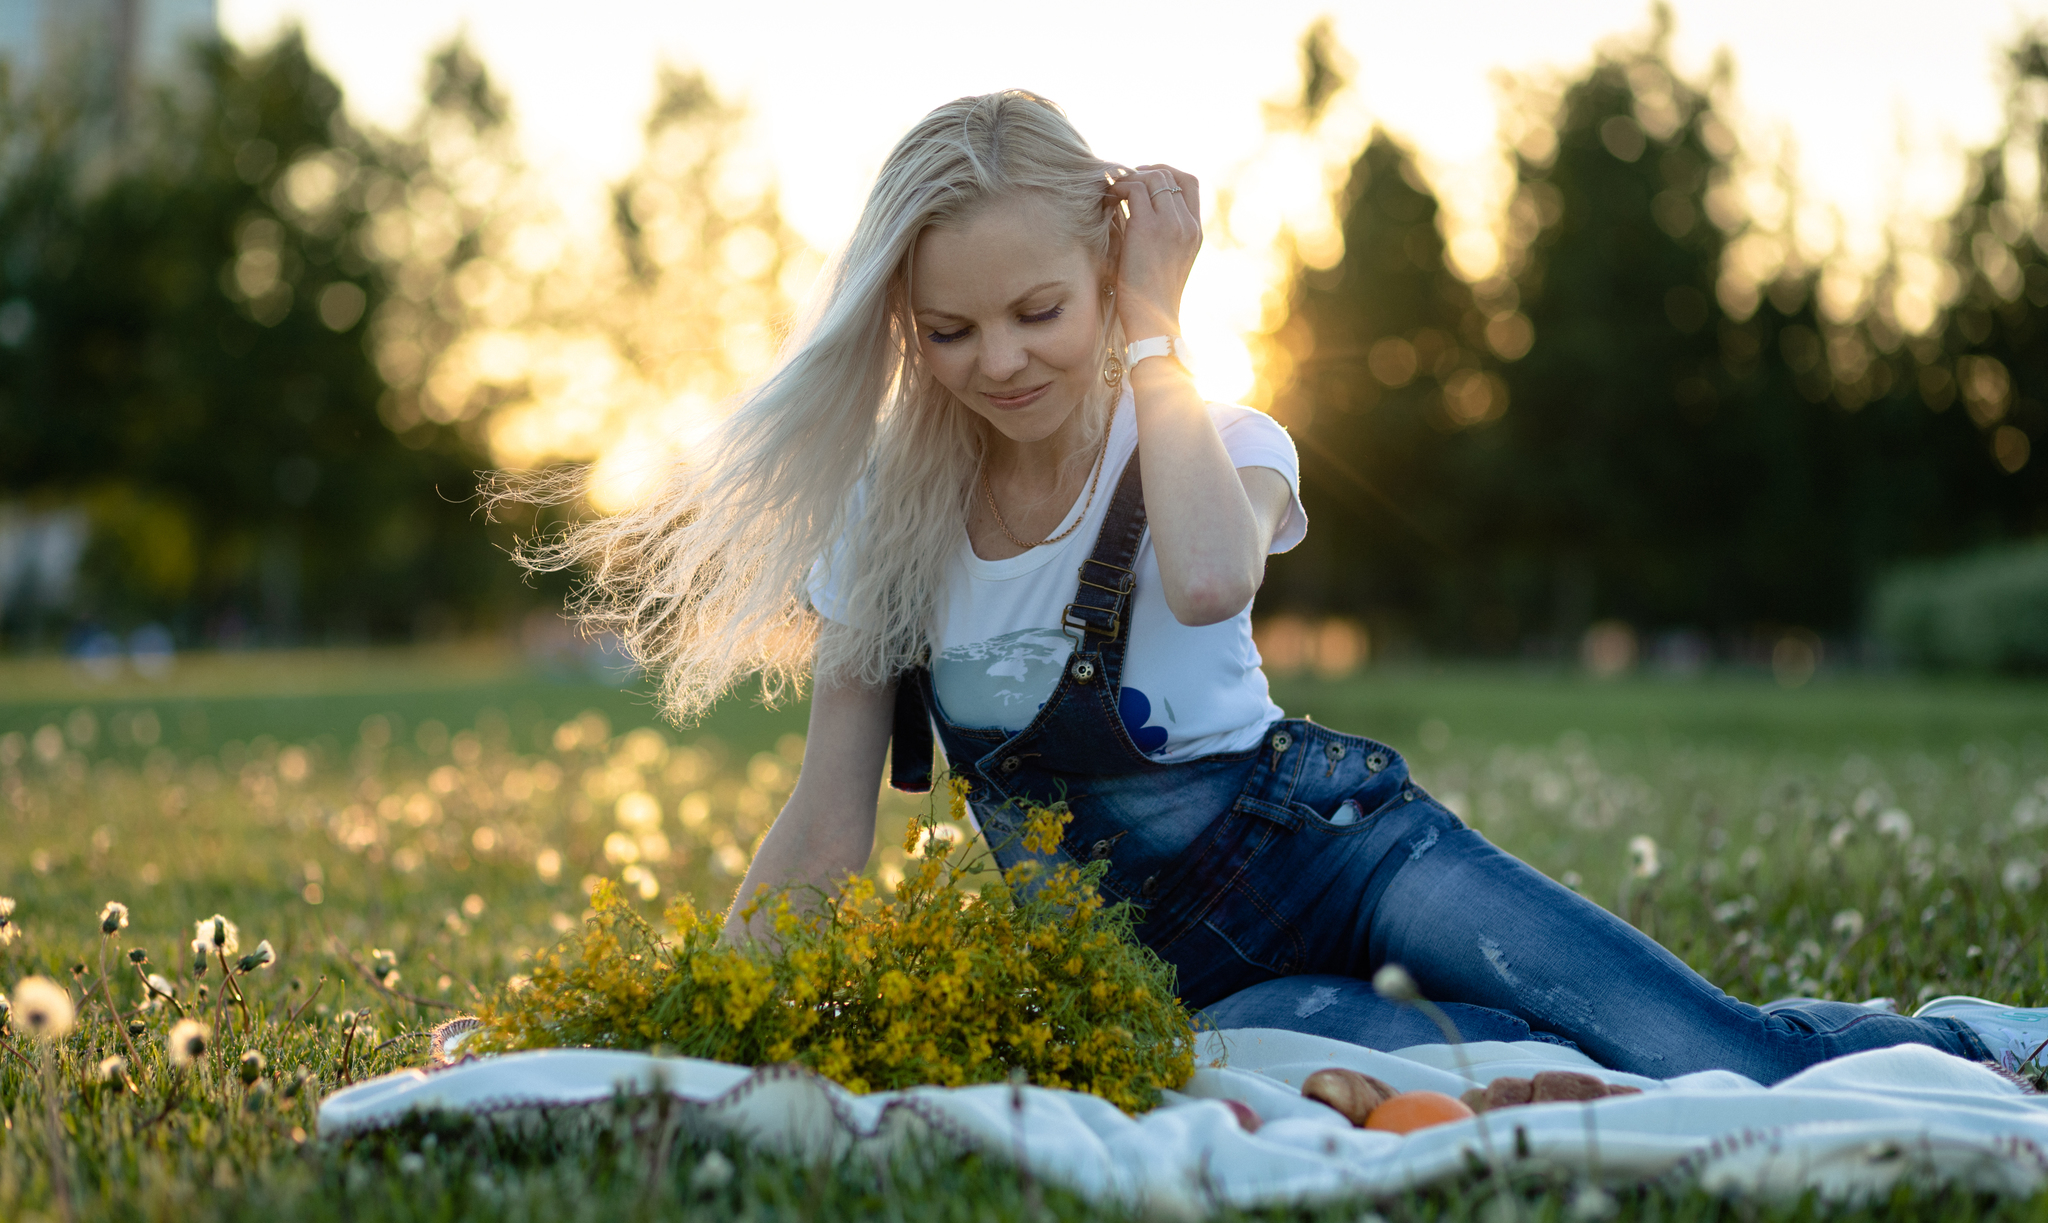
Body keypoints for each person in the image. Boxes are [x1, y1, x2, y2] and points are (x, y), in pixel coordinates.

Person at [528, 90, 2045, 1086]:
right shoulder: (887, 517)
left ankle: (1970, 1044)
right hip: (1173, 980)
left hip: (1349, 854)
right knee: (1516, 1072)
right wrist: (704, 1029)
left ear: (1108, 277)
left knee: (1707, 1057)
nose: (1001, 362)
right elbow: (828, 817)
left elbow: (1204, 572)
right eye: (951, 330)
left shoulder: (1212, 432)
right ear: (903, 330)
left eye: (1041, 309)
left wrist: (1162, 326)